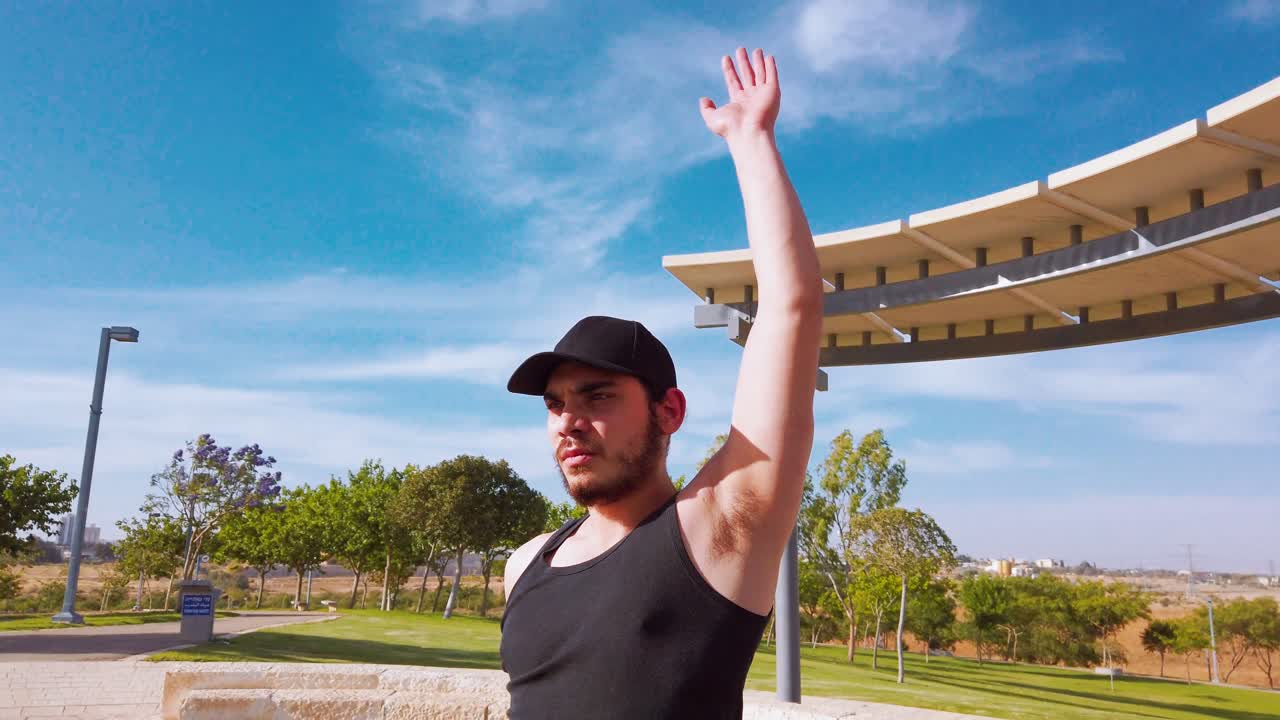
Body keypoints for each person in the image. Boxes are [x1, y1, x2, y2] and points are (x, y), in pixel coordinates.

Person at [499, 47, 822, 719]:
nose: (567, 422)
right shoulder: (523, 564)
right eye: (556, 404)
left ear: (668, 410)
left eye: (598, 397)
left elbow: (790, 308)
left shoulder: (718, 530)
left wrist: (750, 140)